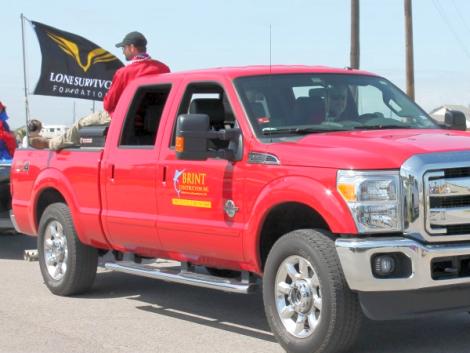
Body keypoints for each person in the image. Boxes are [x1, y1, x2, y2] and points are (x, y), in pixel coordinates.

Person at [30, 31, 170, 150]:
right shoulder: (164, 68)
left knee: (82, 123)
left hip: (124, 117)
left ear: (132, 48)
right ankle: (52, 138)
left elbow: (109, 105)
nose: (123, 51)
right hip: (153, 119)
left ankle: (51, 143)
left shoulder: (124, 73)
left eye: (124, 48)